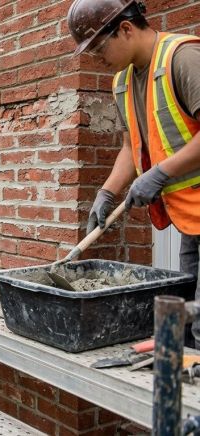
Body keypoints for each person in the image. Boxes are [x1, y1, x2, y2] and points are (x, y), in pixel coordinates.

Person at [68, 0, 200, 344]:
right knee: (181, 324)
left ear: (126, 28)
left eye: (99, 48)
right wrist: (106, 194)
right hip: (191, 218)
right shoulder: (123, 82)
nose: (97, 58)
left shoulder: (182, 59)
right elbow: (130, 147)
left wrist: (160, 173)